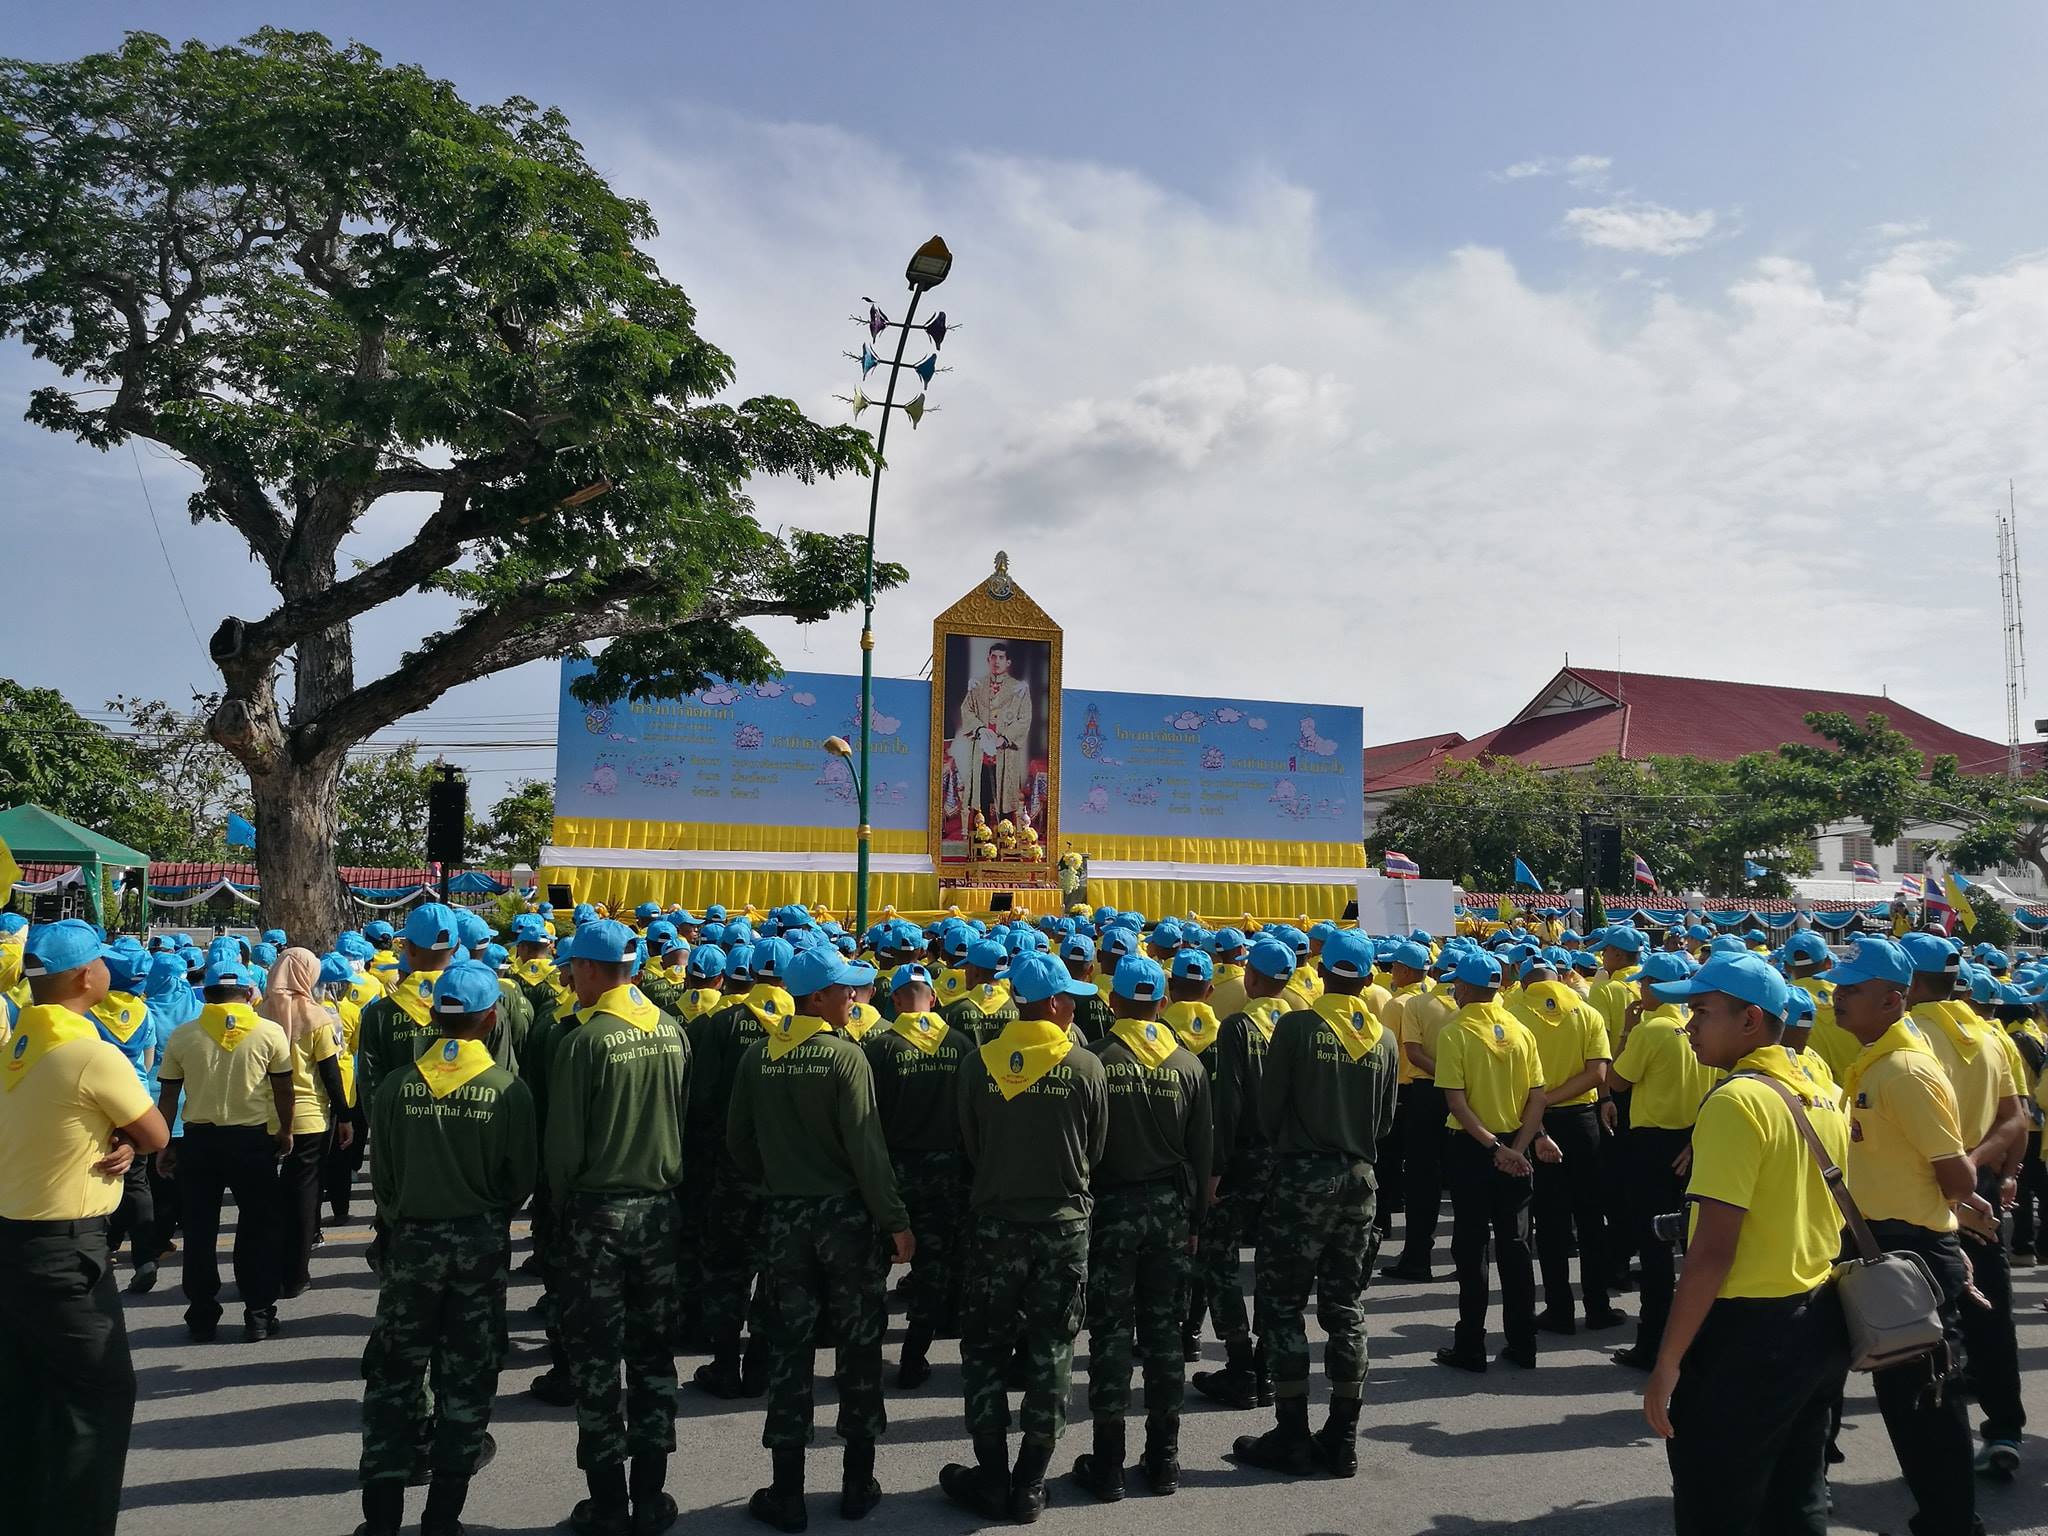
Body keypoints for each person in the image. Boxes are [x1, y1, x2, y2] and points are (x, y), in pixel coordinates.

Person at [1638, 951, 1850, 1536]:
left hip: (1747, 1335)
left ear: (1750, 1020)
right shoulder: (1821, 1087)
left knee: (1717, 1503)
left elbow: (1711, 1253)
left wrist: (1667, 1361)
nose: (1689, 1026)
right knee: (1797, 1497)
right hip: (1816, 1316)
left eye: (1702, 1012)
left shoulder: (1738, 1100)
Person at [725, 944, 913, 1530]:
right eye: (844, 990)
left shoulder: (760, 1056)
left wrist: (779, 1180)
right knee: (859, 1350)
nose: (854, 998)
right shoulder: (845, 1058)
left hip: (787, 1221)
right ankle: (858, 1482)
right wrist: (895, 1220)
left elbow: (739, 1141)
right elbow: (867, 1149)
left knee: (789, 1351)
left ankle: (788, 1493)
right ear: (815, 997)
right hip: (848, 1223)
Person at [0, 920, 169, 1536]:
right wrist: (127, 1137)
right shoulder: (89, 1051)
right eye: (98, 961)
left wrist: (112, 1136)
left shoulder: (15, 1045)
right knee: (97, 1399)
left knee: (25, 1400)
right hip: (66, 1251)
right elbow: (154, 1133)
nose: (105, 969)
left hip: (12, 1243)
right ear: (82, 977)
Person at [358, 960, 536, 1536]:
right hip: (480, 1245)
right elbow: (519, 1180)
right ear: (490, 1020)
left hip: (410, 1241)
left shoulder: (395, 1086)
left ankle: (381, 1520)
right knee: (467, 1377)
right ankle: (442, 1518)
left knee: (394, 1376)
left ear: (434, 1015)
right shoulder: (508, 1091)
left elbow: (382, 1176)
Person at [1831, 936, 1992, 1536]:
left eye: (1853, 989)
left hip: (1914, 1251)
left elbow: (1957, 1173)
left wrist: (1947, 1207)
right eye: (1841, 986)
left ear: (1893, 1000)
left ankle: (1953, 1521)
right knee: (1905, 1400)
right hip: (1884, 1245)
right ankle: (1939, 1514)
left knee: (1928, 1398)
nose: (1839, 997)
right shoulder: (1877, 1060)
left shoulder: (1905, 1070)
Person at [941, 951, 1109, 1524]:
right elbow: (1096, 1150)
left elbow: (970, 1142)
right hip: (1064, 1225)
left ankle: (991, 1476)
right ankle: (1031, 1484)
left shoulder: (976, 1064)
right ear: (1057, 1003)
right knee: (1052, 1350)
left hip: (995, 1222)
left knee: (984, 1350)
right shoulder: (1086, 1066)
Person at [1233, 929, 1398, 1477]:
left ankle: (1292, 1433)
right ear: (1370, 978)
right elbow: (1386, 1122)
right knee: (1345, 1309)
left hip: (1303, 1180)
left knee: (1282, 1308)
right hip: (1360, 1180)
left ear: (1323, 973)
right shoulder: (1385, 1040)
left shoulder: (1297, 1025)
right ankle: (1343, 1437)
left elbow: (1267, 1108)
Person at [545, 919, 691, 1536]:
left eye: (573, 967)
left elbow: (563, 1150)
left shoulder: (584, 1041)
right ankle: (651, 1497)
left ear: (589, 969)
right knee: (654, 1357)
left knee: (598, 1363)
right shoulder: (672, 1032)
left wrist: (556, 1219)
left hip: (597, 1217)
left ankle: (607, 1501)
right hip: (659, 1211)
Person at [1071, 953, 1213, 1501]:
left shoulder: (1096, 1059)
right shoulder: (1189, 1065)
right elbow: (1202, 1153)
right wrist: (1196, 1218)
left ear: (1113, 1001)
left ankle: (1108, 1465)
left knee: (1109, 1334)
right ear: (1164, 1002)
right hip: (1170, 1213)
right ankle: (1165, 1460)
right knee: (1164, 1337)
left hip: (1109, 1211)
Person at [1899, 935, 2027, 1481]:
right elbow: (2016, 1118)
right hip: (1977, 1186)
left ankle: (1933, 1457)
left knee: (1918, 1328)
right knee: (1989, 1313)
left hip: (1921, 1192)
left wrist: (1956, 1175)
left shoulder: (1906, 1038)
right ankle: (2004, 1430)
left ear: (1906, 984)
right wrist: (1976, 1167)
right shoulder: (1991, 1036)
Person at [154, 952, 295, 1342]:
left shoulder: (185, 1035)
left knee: (200, 1229)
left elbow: (169, 1098)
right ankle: (259, 1312)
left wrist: (164, 1143)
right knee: (259, 1227)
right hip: (252, 1140)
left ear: (206, 994)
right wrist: (285, 1130)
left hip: (199, 1141)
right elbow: (283, 1087)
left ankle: (201, 1311)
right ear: (250, 992)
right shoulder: (269, 1033)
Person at [1431, 950, 1553, 1374]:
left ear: (1465, 988)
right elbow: (1537, 1096)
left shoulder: (1456, 1031)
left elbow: (1456, 1101)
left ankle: (1471, 1344)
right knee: (1517, 1248)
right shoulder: (1521, 1030)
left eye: (1455, 985)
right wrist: (1517, 1148)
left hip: (1472, 1148)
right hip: (1514, 1147)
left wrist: (1492, 1147)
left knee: (1471, 1249)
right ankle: (1523, 1343)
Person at [1191, 935, 1294, 1411]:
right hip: (1288, 1159)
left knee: (1218, 1259)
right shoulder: (1297, 1024)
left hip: (1244, 1158)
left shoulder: (1237, 1028)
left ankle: (1240, 1364)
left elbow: (1228, 1104)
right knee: (1275, 1268)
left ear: (1251, 978)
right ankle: (1267, 1367)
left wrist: (1215, 1169)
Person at [692, 936, 795, 1400]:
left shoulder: (720, 1023)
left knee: (727, 1270)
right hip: (785, 1171)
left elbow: (702, 1098)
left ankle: (724, 1363)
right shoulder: (807, 1029)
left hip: (731, 1167)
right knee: (775, 1271)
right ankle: (761, 1363)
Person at [1607, 950, 1718, 1370]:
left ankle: (1653, 1342)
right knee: (1692, 1245)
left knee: (1654, 1248)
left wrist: (1626, 1032)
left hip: (1653, 1144)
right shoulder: (1697, 1028)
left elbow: (1617, 1079)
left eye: (1643, 983)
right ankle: (1696, 1339)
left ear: (1654, 987)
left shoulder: (1650, 1031)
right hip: (1694, 1139)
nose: (1639, 989)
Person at [863, 962, 972, 1390]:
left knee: (872, 1270)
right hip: (948, 1171)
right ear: (934, 998)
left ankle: (864, 1358)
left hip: (893, 1171)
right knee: (934, 1271)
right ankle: (913, 1358)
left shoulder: (879, 1048)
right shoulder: (962, 1046)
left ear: (894, 1001)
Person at [1509, 956, 1625, 1333]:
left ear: (1524, 982)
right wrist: (1563, 1097)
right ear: (1559, 977)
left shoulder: (1512, 1012)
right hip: (1582, 1120)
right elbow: (1597, 1073)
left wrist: (1541, 1107)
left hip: (1535, 1121)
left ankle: (1559, 1309)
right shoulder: (1586, 1011)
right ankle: (1598, 1306)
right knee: (1590, 1218)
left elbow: (1515, 1080)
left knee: (1551, 1221)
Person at [259, 947, 351, 1299]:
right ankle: (296, 1274)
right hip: (310, 1118)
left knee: (266, 1199)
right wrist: (344, 1116)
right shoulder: (317, 1018)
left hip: (265, 1117)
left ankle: (265, 1268)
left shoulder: (260, 1013)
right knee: (304, 1194)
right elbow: (330, 1073)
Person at [1384, 948, 1459, 1281]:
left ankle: (1417, 1257)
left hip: (1426, 1093)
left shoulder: (1414, 1004)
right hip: (1472, 1095)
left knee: (1422, 1180)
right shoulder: (1493, 1006)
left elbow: (1412, 1052)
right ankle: (1469, 1258)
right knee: (1462, 1177)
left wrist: (1446, 1075)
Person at [948, 640, 1034, 826]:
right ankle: (981, 838)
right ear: (988, 659)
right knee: (982, 798)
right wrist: (979, 729)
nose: (997, 661)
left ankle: (1006, 838)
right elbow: (967, 710)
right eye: (993, 657)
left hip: (1005, 752)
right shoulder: (977, 686)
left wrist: (1004, 738)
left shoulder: (1019, 689)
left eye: (1001, 658)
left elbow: (1024, 719)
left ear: (1008, 662)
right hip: (981, 753)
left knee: (1005, 799)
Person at [941, 936, 1018, 1044]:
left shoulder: (952, 1011)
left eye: (966, 967)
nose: (965, 972)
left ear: (976, 971)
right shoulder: (1017, 1009)